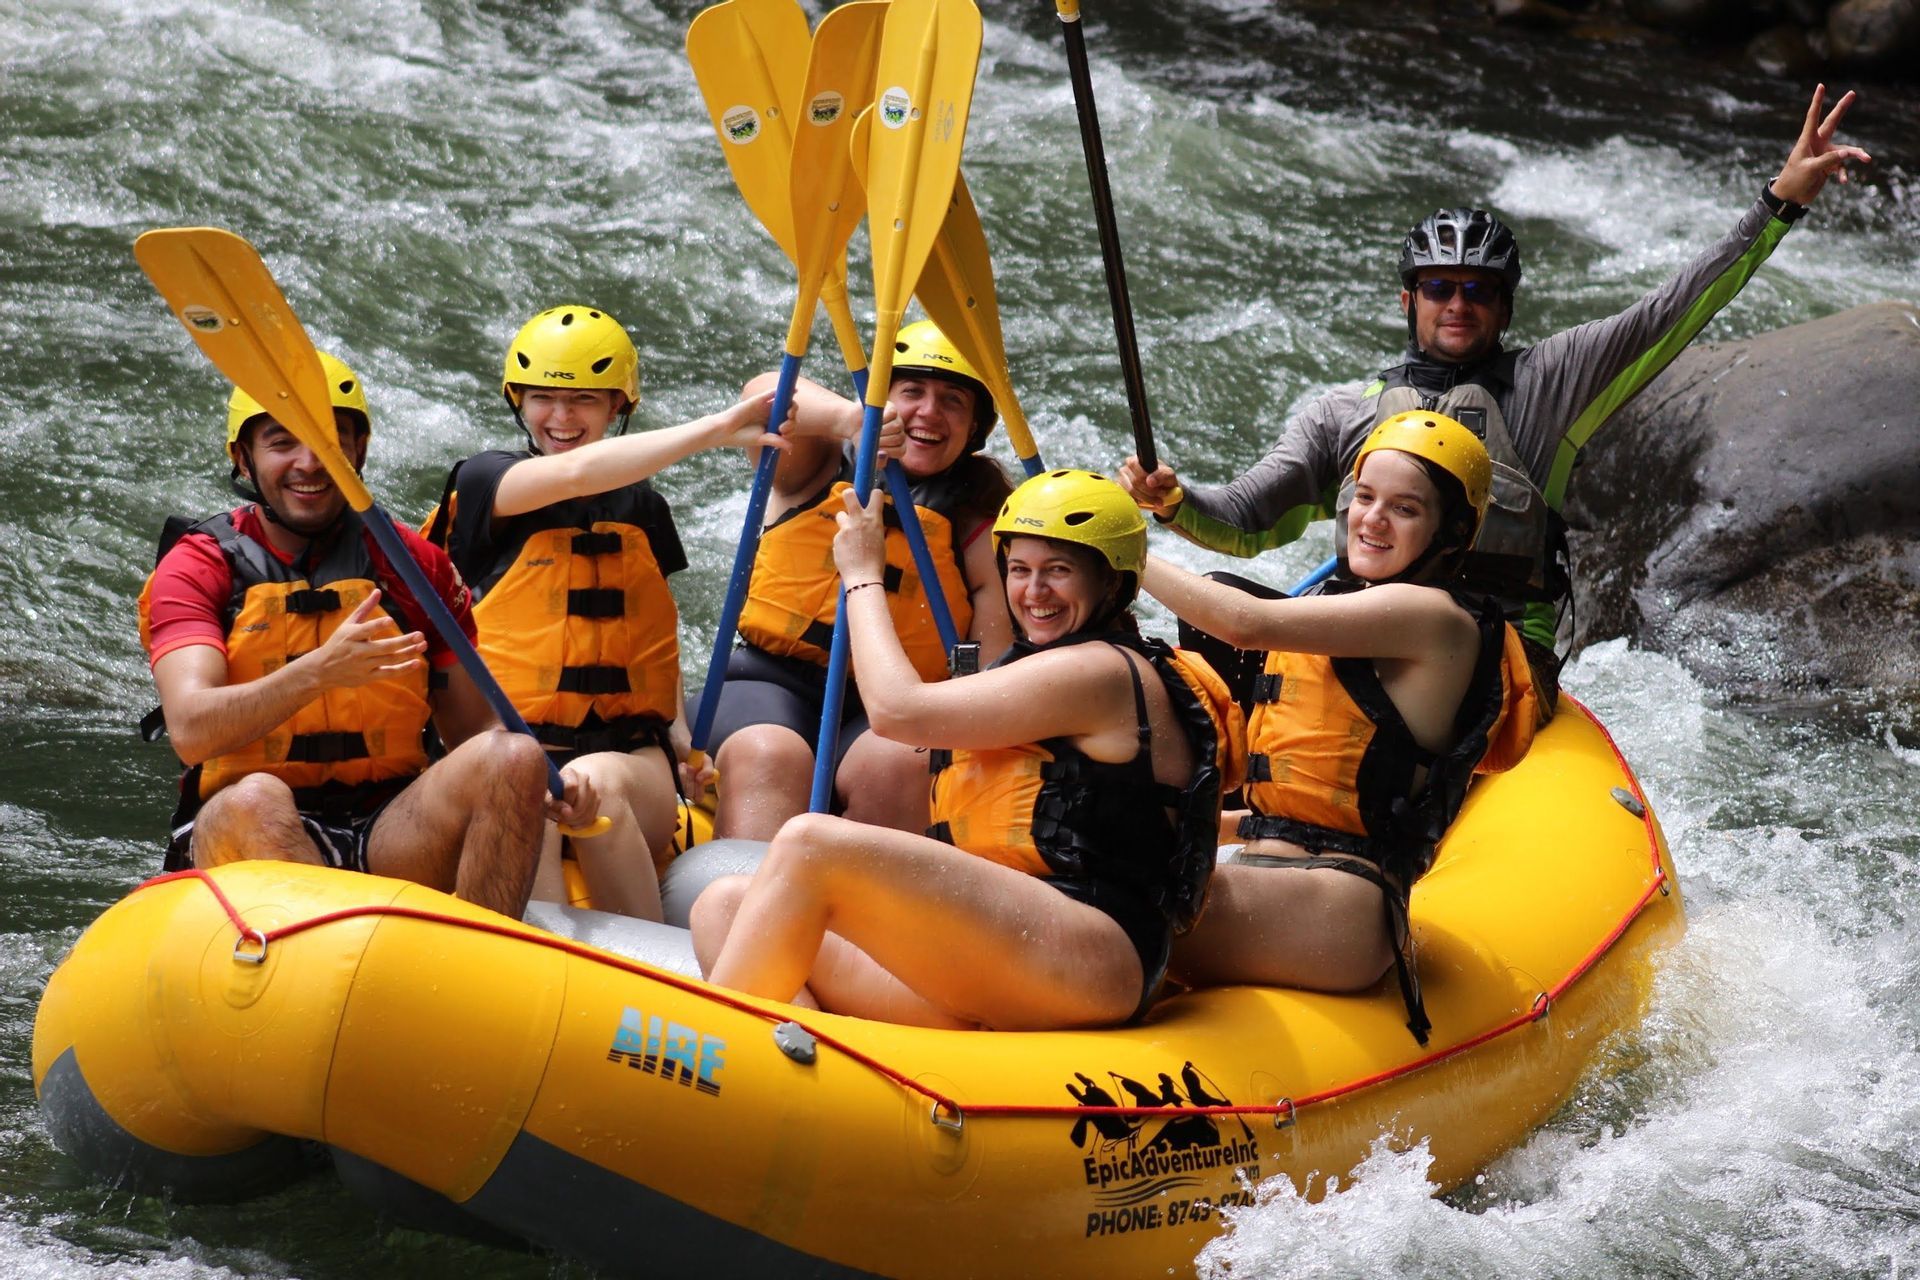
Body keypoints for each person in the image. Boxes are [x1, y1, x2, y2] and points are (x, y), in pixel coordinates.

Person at [1119, 84, 1872, 720]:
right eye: (1440, 288)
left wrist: (1777, 204)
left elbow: (1668, 314)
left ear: (1505, 308)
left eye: (1479, 291)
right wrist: (1173, 500)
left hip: (1495, 661)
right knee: (1214, 605)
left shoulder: (1551, 383)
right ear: (1407, 299)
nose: (1458, 304)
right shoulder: (1343, 414)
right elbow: (1246, 519)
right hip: (1361, 639)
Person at [689, 470, 1240, 1029]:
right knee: (724, 906)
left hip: (1088, 951)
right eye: (1020, 571)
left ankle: (718, 1057)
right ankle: (791, 1071)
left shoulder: (1100, 671)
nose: (1034, 591)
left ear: (1112, 582)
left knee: (811, 841)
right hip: (1000, 943)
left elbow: (896, 711)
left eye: (1059, 571)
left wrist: (861, 574)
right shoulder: (1052, 666)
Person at [139, 352, 595, 919]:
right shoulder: (198, 566)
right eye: (283, 443)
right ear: (243, 457)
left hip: (388, 828)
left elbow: (473, 728)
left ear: (358, 450)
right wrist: (317, 672)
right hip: (248, 826)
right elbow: (192, 730)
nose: (310, 463)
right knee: (258, 801)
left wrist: (554, 778)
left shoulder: (413, 565)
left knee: (514, 756)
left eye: (331, 443)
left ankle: (477, 971)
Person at [1139, 411, 1537, 1044]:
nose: (1372, 518)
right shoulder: (1351, 611)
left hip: (1336, 912)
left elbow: (1245, 623)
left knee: (1111, 907)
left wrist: (1122, 553)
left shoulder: (1433, 618)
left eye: (1405, 509)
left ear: (1450, 533)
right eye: (1365, 497)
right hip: (1285, 883)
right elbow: (1313, 810)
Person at [423, 305, 785, 919]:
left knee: (601, 784)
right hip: (513, 745)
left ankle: (657, 974)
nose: (561, 418)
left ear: (617, 406)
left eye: (584, 400)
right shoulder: (488, 482)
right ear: (517, 400)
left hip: (627, 755)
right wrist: (717, 429)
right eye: (543, 398)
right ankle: (535, 967)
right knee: (526, 787)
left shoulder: (645, 509)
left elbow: (648, 631)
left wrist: (681, 737)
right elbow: (576, 473)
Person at [707, 321, 1015, 840]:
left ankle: (858, 909)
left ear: (974, 429)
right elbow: (766, 396)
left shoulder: (979, 522)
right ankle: (739, 908)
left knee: (895, 766)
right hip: (768, 681)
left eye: (952, 401)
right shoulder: (814, 462)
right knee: (773, 754)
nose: (927, 413)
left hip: (894, 706)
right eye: (911, 392)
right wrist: (854, 420)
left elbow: (989, 675)